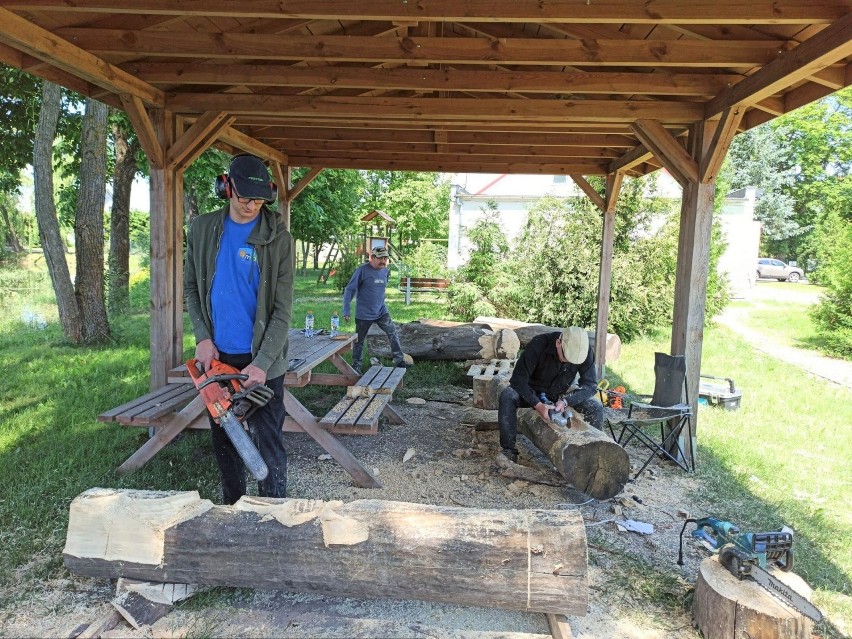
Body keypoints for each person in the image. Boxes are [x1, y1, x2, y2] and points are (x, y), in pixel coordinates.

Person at [184, 154, 294, 505]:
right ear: (226, 187)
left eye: (259, 200)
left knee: (268, 441)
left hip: (262, 360)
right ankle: (232, 510)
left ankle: (274, 511)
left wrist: (261, 363)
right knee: (225, 439)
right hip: (219, 357)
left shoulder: (278, 237)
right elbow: (191, 288)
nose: (251, 206)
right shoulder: (202, 230)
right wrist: (202, 336)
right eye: (245, 198)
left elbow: (282, 310)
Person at [498, 326, 603, 462]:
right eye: (566, 357)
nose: (568, 362)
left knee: (595, 406)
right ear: (558, 343)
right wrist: (538, 405)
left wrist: (565, 401)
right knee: (508, 396)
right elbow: (518, 381)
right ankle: (508, 450)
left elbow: (590, 385)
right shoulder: (538, 345)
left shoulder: (584, 350)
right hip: (532, 391)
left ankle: (594, 453)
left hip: (560, 392)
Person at [342, 245, 411, 374]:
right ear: (372, 257)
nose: (383, 261)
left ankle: (399, 360)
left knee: (392, 333)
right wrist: (346, 310)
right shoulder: (362, 271)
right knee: (359, 341)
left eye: (385, 258)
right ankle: (356, 365)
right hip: (364, 314)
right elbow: (349, 289)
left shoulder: (386, 271)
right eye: (380, 258)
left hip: (381, 311)